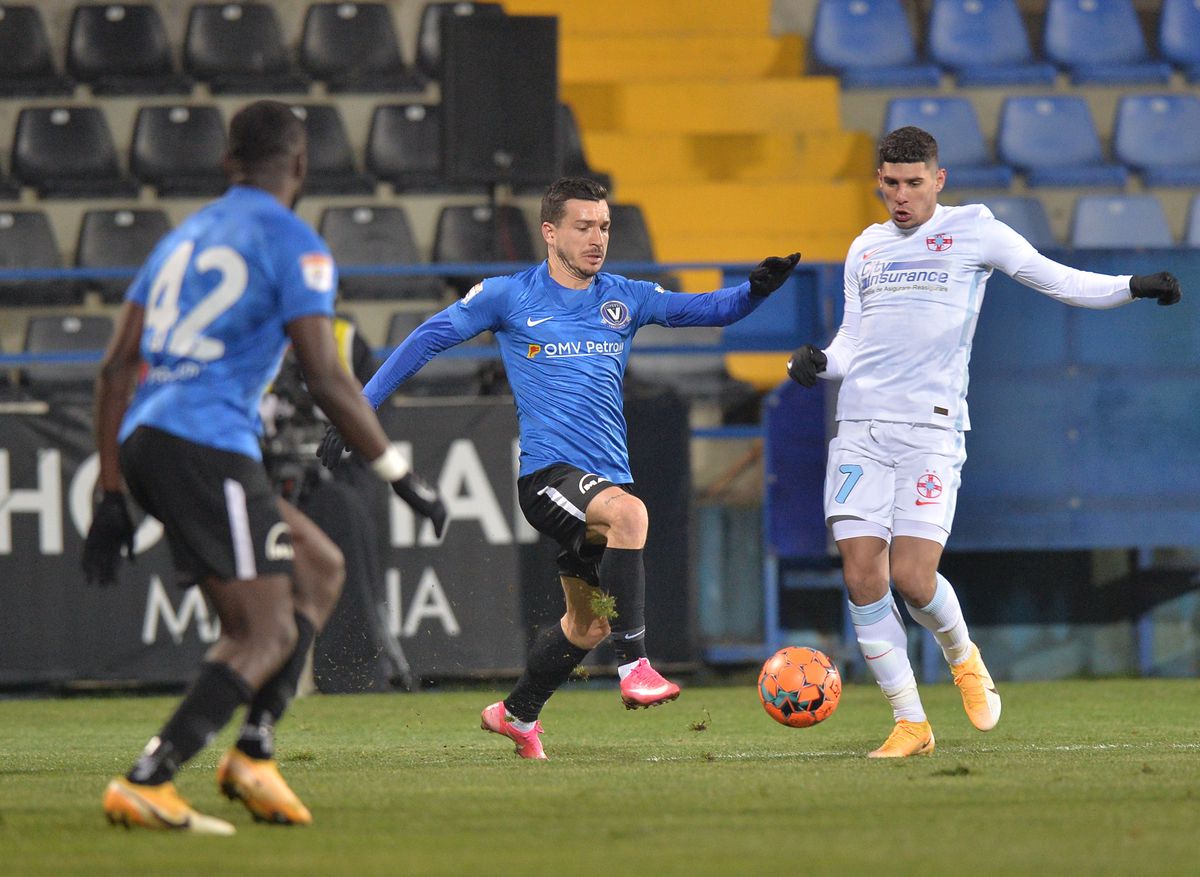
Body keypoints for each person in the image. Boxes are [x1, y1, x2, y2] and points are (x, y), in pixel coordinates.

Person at [319, 176, 801, 759]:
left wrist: (756, 290)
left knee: (587, 623)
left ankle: (517, 714)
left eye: (604, 227)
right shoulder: (509, 296)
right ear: (550, 232)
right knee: (631, 516)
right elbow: (426, 339)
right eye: (583, 226)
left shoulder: (625, 297)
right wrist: (358, 410)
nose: (598, 238)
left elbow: (707, 309)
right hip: (548, 479)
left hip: (602, 484)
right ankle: (635, 666)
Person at [82, 99, 446, 834]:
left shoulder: (180, 239)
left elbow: (116, 368)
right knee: (264, 631)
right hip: (207, 443)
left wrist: (112, 491)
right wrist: (400, 476)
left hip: (151, 437)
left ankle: (253, 752)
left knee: (319, 568)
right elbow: (326, 375)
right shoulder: (295, 243)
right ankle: (149, 777)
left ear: (228, 163)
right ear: (301, 166)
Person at [785, 126, 1182, 758]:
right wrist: (817, 363)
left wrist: (1131, 286)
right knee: (862, 576)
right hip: (861, 430)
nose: (902, 196)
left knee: (913, 578)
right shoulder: (866, 248)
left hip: (931, 431)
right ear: (879, 182)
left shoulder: (974, 230)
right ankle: (911, 723)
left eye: (914, 183)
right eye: (891, 184)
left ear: (938, 180)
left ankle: (963, 655)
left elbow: (1058, 280)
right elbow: (851, 343)